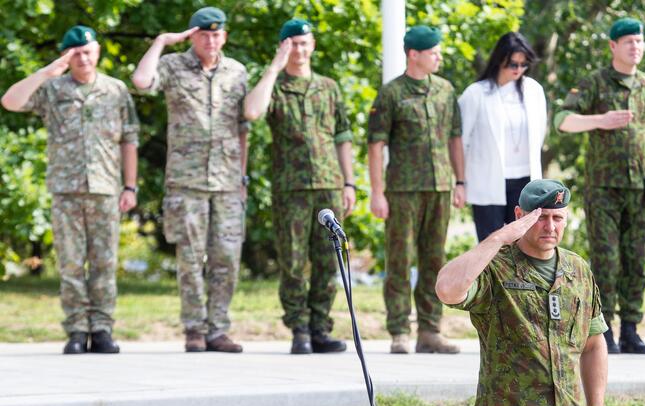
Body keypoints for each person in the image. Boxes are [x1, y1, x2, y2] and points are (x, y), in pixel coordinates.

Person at [436, 179, 608, 406]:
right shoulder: (494, 268)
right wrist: (500, 238)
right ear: (519, 216)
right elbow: (446, 289)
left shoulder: (578, 270)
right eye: (540, 218)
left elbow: (593, 344)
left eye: (557, 218)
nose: (550, 227)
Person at [1, 26, 139, 355]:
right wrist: (47, 71)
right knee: (71, 264)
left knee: (105, 263)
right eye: (75, 52)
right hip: (66, 191)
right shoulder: (53, 90)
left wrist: (130, 186)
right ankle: (77, 329)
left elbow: (129, 140)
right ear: (66, 55)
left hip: (106, 189)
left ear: (98, 52)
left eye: (88, 51)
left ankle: (102, 328)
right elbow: (10, 101)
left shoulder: (116, 90)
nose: (83, 57)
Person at [132, 6, 248, 353]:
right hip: (186, 181)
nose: (211, 40)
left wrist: (242, 175)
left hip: (227, 182)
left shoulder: (237, 72)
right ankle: (194, 329)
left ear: (224, 36)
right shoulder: (171, 66)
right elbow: (141, 82)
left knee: (226, 257)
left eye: (217, 34)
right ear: (192, 36)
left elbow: (243, 130)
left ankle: (218, 329)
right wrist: (161, 43)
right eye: (204, 34)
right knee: (190, 259)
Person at [554, 17, 645, 355]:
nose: (636, 47)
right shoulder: (595, 83)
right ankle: (603, 332)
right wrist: (600, 120)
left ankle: (631, 329)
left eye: (639, 41)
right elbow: (563, 121)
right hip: (604, 188)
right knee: (606, 260)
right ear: (613, 47)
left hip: (639, 188)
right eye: (629, 41)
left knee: (636, 260)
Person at [243, 19, 354, 354]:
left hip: (327, 184)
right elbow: (252, 111)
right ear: (283, 47)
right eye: (292, 44)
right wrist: (275, 66)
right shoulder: (274, 87)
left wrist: (349, 181)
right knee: (292, 259)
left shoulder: (329, 87)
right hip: (290, 187)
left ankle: (320, 326)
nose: (300, 50)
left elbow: (343, 136)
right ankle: (299, 328)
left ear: (313, 45)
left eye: (304, 43)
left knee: (328, 258)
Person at [367, 25, 466, 354]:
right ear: (414, 54)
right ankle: (398, 330)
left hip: (439, 187)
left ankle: (430, 329)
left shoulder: (445, 90)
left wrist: (460, 181)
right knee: (399, 258)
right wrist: (377, 192)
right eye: (433, 52)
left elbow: (454, 139)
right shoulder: (392, 93)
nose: (439, 57)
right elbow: (376, 145)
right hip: (403, 189)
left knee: (434, 260)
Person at [458, 31, 547, 241]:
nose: (518, 70)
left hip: (526, 181)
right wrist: (460, 182)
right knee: (491, 248)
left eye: (523, 64)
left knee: (525, 245)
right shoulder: (475, 93)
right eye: (513, 64)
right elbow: (461, 141)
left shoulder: (534, 90)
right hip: (487, 182)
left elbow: (540, 133)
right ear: (499, 61)